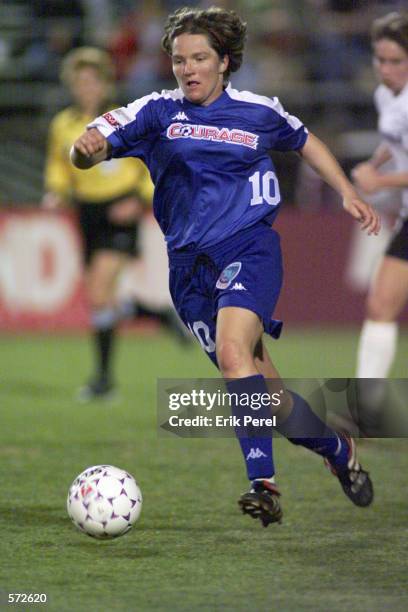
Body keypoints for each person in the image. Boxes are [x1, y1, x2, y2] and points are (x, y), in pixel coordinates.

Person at [71, 7, 380, 526]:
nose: (187, 69)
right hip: (189, 271)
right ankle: (337, 449)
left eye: (199, 58)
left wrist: (346, 190)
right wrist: (84, 151)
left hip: (249, 248)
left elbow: (305, 141)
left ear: (225, 62)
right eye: (178, 59)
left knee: (236, 354)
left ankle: (263, 484)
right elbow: (89, 147)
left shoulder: (257, 112)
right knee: (269, 397)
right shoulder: (155, 113)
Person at [42, 46, 154, 401]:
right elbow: (59, 167)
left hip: (119, 207)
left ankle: (103, 381)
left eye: (92, 81)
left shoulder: (124, 120)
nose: (86, 88)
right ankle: (155, 316)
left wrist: (138, 200)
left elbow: (150, 164)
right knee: (98, 299)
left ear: (106, 83)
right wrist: (56, 192)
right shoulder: (63, 124)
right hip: (86, 211)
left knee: (100, 291)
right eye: (80, 82)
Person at [352, 12, 408, 381]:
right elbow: (395, 139)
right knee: (380, 304)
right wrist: (374, 162)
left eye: (396, 61)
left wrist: (378, 182)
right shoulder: (386, 95)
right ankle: (366, 409)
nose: (385, 69)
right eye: (380, 59)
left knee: (381, 304)